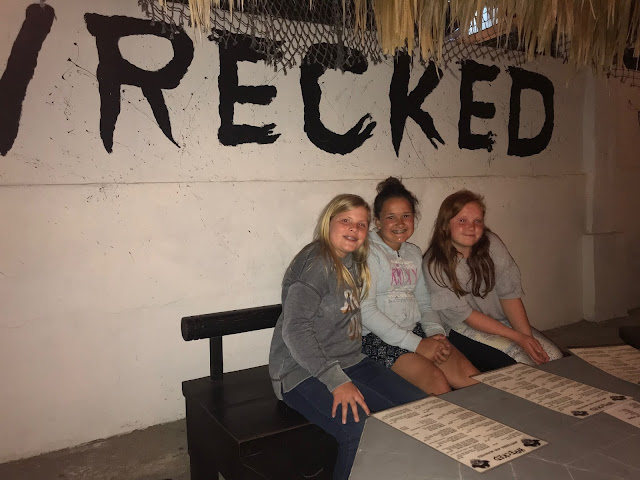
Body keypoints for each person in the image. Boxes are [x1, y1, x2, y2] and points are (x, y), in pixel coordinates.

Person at [269, 194, 426, 480]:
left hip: (351, 361)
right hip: (300, 371)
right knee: (363, 430)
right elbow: (295, 329)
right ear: (328, 223)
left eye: (362, 224)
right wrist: (336, 381)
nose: (354, 228)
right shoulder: (317, 263)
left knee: (418, 409)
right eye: (345, 220)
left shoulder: (353, 260)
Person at [361, 178, 480, 395]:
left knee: (472, 378)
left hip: (415, 332)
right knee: (437, 382)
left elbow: (425, 302)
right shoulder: (367, 253)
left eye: (406, 215)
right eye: (391, 217)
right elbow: (365, 311)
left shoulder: (414, 253)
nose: (400, 223)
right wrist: (417, 345)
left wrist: (436, 334)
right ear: (377, 221)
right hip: (376, 339)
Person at [422, 189, 563, 372]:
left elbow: (509, 295)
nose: (471, 227)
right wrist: (517, 338)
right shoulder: (435, 263)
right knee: (522, 365)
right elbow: (466, 316)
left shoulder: (492, 243)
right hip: (461, 327)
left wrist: (527, 338)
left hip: (499, 320)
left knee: (554, 358)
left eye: (477, 221)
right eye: (462, 221)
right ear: (445, 225)